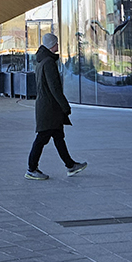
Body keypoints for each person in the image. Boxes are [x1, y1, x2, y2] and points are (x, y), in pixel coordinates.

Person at [27, 32, 86, 180]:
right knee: (42, 137)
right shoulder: (48, 63)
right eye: (56, 43)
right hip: (50, 108)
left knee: (58, 137)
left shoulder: (41, 61)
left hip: (47, 106)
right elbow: (55, 88)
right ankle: (31, 168)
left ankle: (70, 165)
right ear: (51, 45)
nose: (58, 46)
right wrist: (65, 106)